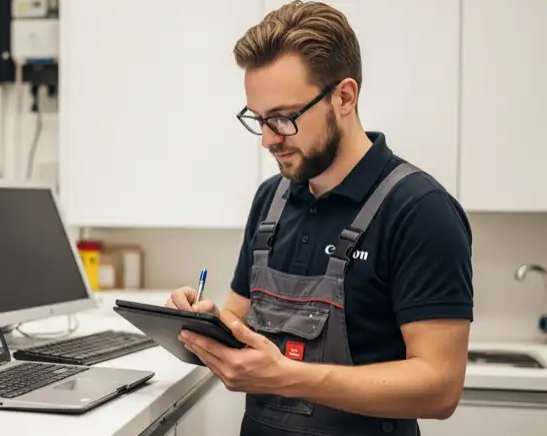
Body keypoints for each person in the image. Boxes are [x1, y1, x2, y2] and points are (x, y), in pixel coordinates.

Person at [165, 2, 473, 435]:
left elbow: (440, 387)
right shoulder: (270, 200)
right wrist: (201, 322)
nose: (269, 140)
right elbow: (240, 318)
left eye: (284, 118)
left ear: (344, 97)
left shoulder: (420, 210)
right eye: (259, 120)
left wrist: (286, 376)